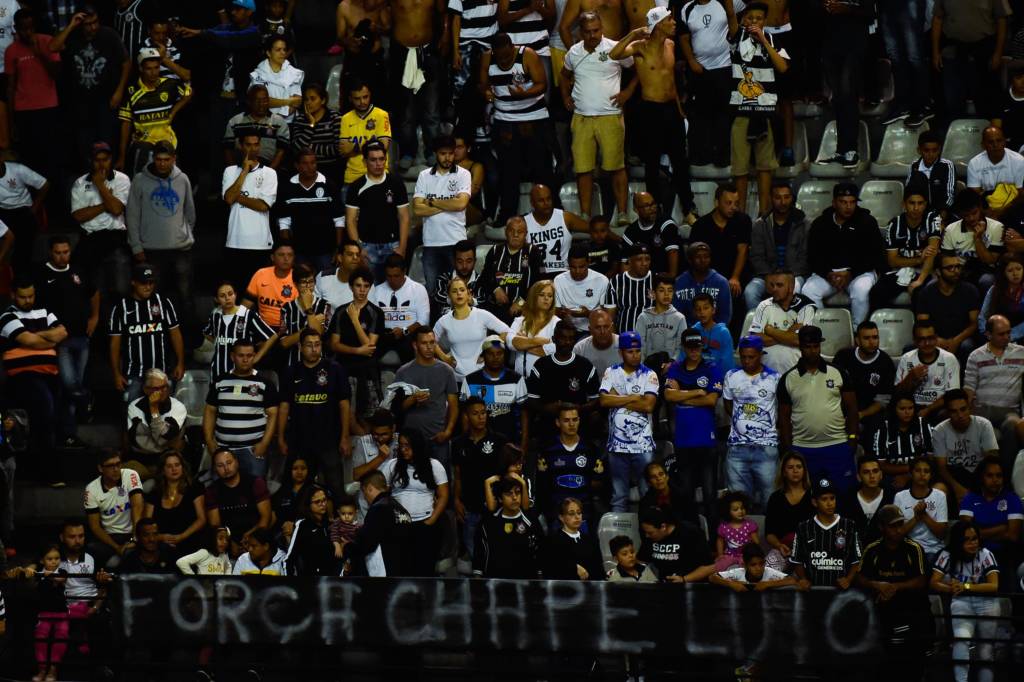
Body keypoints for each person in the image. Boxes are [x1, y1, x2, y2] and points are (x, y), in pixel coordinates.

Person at [609, 10, 694, 220]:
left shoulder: (671, 45)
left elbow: (671, 82)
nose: (674, 23)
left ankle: (688, 209)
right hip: (650, 111)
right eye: (669, 20)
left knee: (680, 162)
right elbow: (614, 54)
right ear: (658, 24)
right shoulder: (640, 48)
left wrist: (679, 110)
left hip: (671, 110)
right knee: (653, 164)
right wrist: (633, 34)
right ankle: (654, 213)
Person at [560, 11, 634, 225]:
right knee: (583, 169)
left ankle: (621, 213)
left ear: (602, 28)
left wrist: (628, 92)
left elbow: (640, 68)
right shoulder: (573, 52)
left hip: (610, 116)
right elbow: (564, 76)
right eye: (588, 32)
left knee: (617, 168)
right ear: (580, 32)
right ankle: (585, 215)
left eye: (597, 30)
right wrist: (565, 96)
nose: (593, 35)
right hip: (582, 117)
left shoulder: (614, 48)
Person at [0, 279, 76, 478]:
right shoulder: (7, 316)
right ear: (13, 296)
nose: (27, 300)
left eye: (31, 296)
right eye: (23, 297)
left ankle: (56, 455)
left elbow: (63, 333)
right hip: (23, 376)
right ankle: (49, 471)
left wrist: (35, 337)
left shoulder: (44, 312)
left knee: (58, 411)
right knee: (46, 414)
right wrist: (43, 338)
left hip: (50, 374)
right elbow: (29, 340)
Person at [479, 37, 556, 228]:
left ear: (512, 48)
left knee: (542, 170)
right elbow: (482, 84)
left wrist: (524, 94)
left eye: (507, 57)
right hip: (505, 122)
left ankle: (552, 215)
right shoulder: (487, 57)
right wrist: (487, 92)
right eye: (500, 58)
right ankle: (507, 216)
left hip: (534, 119)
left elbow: (542, 84)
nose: (504, 62)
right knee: (508, 173)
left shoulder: (527, 55)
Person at [723, 1, 790, 213]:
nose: (754, 22)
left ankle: (764, 213)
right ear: (744, 20)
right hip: (741, 112)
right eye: (750, 18)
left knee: (765, 167)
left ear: (765, 21)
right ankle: (740, 213)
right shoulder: (737, 36)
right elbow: (729, 13)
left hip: (765, 112)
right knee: (740, 170)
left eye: (759, 19)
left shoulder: (771, 39)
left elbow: (782, 67)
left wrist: (763, 39)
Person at [124, 141, 197, 331]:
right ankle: (157, 339)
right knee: (153, 299)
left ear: (174, 159)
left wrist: (184, 234)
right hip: (151, 251)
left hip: (181, 249)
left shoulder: (183, 179)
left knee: (185, 297)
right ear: (153, 159)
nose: (162, 163)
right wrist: (136, 247)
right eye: (158, 159)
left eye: (166, 159)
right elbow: (131, 216)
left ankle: (190, 342)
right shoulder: (139, 180)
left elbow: (190, 212)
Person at [778, 326, 860, 493]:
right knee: (808, 499)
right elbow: (784, 418)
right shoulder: (788, 378)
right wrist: (789, 450)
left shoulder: (838, 372)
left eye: (816, 346)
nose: (812, 351)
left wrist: (852, 440)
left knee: (844, 496)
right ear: (800, 347)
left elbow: (852, 410)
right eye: (808, 347)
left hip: (837, 445)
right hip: (803, 449)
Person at [856, 505, 932, 681]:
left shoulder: (914, 549)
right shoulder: (872, 549)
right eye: (893, 526)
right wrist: (875, 584)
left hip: (912, 611)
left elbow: (922, 580)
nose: (899, 529)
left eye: (900, 524)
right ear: (881, 527)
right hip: (882, 612)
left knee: (910, 662)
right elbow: (858, 577)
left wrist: (893, 587)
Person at [48, 7, 131, 163]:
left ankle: (108, 176)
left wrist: (119, 91)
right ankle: (88, 177)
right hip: (81, 100)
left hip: (106, 98)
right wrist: (72, 25)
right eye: (88, 24)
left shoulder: (109, 35)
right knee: (84, 142)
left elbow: (126, 63)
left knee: (107, 140)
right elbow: (52, 47)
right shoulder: (73, 35)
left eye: (95, 22)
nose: (93, 27)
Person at [278, 329, 352, 497]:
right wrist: (281, 437)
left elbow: (344, 404)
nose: (314, 349)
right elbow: (284, 406)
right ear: (300, 347)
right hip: (299, 440)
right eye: (309, 345)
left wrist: (345, 437)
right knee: (298, 488)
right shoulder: (290, 371)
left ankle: (339, 521)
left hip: (329, 439)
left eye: (317, 345)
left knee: (336, 487)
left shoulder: (334, 369)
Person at [803, 182, 885, 326]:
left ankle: (856, 331)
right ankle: (822, 330)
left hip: (859, 273)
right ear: (834, 203)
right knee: (808, 290)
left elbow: (875, 255)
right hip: (829, 274)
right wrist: (827, 273)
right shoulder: (821, 223)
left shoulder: (867, 222)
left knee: (862, 289)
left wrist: (851, 273)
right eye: (843, 202)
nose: (848, 206)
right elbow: (813, 256)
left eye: (852, 202)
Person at [34, 237, 97, 421]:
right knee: (69, 382)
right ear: (50, 253)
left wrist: (95, 316)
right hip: (59, 339)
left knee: (79, 379)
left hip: (82, 336)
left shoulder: (78, 271)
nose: (62, 256)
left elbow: (94, 293)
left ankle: (74, 417)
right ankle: (86, 402)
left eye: (66, 252)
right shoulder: (42, 273)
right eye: (58, 253)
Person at [930, 520, 1001, 682]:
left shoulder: (985, 554)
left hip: (987, 603)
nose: (972, 543)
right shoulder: (946, 554)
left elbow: (994, 585)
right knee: (961, 640)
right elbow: (933, 582)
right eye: (967, 540)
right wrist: (950, 588)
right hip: (962, 602)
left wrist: (966, 586)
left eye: (974, 538)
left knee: (985, 650)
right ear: (957, 541)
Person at [665, 327, 723, 515]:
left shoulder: (711, 368)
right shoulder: (675, 368)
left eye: (697, 347)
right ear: (683, 347)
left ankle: (713, 539)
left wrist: (681, 394)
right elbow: (668, 395)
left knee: (709, 496)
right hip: (683, 440)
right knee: (685, 495)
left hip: (706, 440)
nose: (694, 351)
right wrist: (697, 392)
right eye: (690, 347)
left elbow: (711, 400)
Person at [203, 339, 280, 478]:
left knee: (256, 493)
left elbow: (273, 415)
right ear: (232, 356)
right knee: (221, 493)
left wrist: (264, 444)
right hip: (223, 450)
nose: (245, 359)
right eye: (241, 355)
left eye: (249, 355)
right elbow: (210, 410)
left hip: (252, 450)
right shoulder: (220, 381)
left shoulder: (265, 384)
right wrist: (209, 440)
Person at [600, 330, 658, 511]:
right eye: (630, 352)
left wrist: (618, 397)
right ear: (621, 353)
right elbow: (604, 400)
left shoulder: (649, 374)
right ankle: (618, 537)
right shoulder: (612, 372)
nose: (635, 355)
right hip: (617, 446)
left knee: (647, 493)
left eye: (638, 351)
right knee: (619, 496)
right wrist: (633, 397)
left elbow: (648, 406)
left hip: (643, 446)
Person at [109, 263, 184, 402]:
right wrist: (116, 374)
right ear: (133, 282)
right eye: (143, 283)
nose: (148, 287)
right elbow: (115, 344)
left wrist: (180, 362)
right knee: (133, 416)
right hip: (134, 373)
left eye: (151, 283)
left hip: (161, 371)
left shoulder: (164, 303)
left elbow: (175, 334)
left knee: (165, 416)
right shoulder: (121, 308)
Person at [380, 431, 449, 576]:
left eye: (407, 445)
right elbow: (383, 495)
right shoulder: (392, 465)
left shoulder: (434, 465)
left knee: (424, 568)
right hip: (399, 525)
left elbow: (443, 496)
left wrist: (431, 521)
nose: (403, 449)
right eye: (401, 445)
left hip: (424, 523)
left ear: (417, 446)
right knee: (400, 567)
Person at [722, 336, 780, 510]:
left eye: (751, 357)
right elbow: (728, 405)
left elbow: (781, 409)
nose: (746, 361)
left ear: (760, 355)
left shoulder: (774, 378)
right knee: (738, 503)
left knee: (769, 500)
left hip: (766, 446)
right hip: (737, 447)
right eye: (743, 357)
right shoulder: (732, 376)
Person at [69, 141, 132, 298]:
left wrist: (100, 185)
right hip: (90, 239)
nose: (102, 164)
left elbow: (117, 209)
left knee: (120, 289)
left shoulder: (122, 179)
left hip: (115, 238)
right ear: (91, 161)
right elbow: (78, 216)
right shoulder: (80, 183)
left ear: (111, 159)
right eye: (98, 160)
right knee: (92, 290)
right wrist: (106, 204)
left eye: (106, 159)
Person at [116, 46, 191, 176]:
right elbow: (125, 124)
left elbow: (189, 93)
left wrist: (173, 112)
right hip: (143, 145)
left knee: (173, 183)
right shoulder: (131, 91)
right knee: (141, 184)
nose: (154, 72)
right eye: (149, 69)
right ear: (141, 68)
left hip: (167, 142)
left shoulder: (170, 84)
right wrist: (122, 157)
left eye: (156, 67)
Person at [678, 0, 735, 169]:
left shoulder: (724, 3)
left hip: (725, 67)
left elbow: (737, 22)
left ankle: (723, 157)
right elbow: (683, 37)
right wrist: (691, 61)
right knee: (701, 115)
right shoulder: (687, 8)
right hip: (699, 69)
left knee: (724, 115)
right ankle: (701, 156)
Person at [413, 135, 472, 297]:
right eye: (443, 153)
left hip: (456, 242)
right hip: (431, 243)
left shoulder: (463, 174)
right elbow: (417, 209)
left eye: (451, 153)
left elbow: (461, 204)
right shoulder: (424, 175)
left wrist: (431, 201)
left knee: (457, 292)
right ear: (435, 154)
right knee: (432, 292)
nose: (448, 158)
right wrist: (448, 204)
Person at [5, 10, 61, 181]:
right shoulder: (11, 51)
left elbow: (57, 75)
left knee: (51, 157)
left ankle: (52, 197)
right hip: (24, 111)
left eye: (30, 28)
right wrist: (11, 120)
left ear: (34, 26)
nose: (27, 32)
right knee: (30, 159)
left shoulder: (48, 42)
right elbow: (10, 87)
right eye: (23, 29)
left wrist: (40, 54)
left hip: (48, 108)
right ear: (16, 28)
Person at [964, 314, 1024, 469]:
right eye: (1001, 334)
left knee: (1013, 424)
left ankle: (1005, 476)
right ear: (988, 334)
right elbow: (969, 389)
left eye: (1008, 333)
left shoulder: (1021, 353)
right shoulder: (975, 356)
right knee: (993, 436)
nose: (1007, 337)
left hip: (1009, 410)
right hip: (983, 410)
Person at [816, 0, 871, 168]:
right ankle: (841, 150)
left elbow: (871, 10)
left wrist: (846, 8)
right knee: (838, 98)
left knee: (848, 94)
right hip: (830, 42)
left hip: (854, 42)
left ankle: (851, 150)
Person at [395, 328, 460, 468]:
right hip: (411, 440)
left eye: (432, 342)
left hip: (437, 439)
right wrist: (413, 400)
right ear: (415, 345)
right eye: (424, 343)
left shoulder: (446, 371)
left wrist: (448, 432)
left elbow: (454, 406)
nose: (429, 347)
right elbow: (397, 409)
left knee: (441, 481)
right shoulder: (403, 372)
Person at [345, 140, 410, 281]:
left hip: (393, 246)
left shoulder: (396, 183)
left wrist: (402, 247)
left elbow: (404, 217)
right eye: (373, 160)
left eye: (381, 159)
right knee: (369, 290)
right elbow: (350, 220)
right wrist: (359, 249)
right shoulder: (356, 187)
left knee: (394, 288)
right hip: (367, 247)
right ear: (365, 161)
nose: (378, 163)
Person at [222, 132, 279, 292]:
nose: (252, 149)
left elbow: (263, 206)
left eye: (256, 144)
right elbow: (228, 199)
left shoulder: (269, 173)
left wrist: (236, 196)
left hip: (260, 244)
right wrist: (245, 171)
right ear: (241, 146)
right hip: (235, 241)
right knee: (237, 290)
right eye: (248, 144)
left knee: (260, 291)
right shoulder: (230, 171)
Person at [869, 187, 942, 309]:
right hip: (900, 270)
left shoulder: (932, 219)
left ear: (925, 204)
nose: (916, 208)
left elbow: (932, 254)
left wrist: (920, 280)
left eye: (920, 203)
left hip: (926, 271)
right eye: (912, 203)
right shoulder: (894, 224)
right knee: (876, 293)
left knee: (921, 294)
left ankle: (919, 327)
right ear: (904, 204)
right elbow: (892, 261)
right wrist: (919, 259)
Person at [527, 320, 601, 438]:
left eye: (571, 338)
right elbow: (531, 400)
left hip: (578, 428)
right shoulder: (541, 365)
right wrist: (547, 408)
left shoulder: (585, 365)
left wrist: (578, 409)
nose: (567, 342)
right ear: (554, 339)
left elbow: (596, 400)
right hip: (547, 427)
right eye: (563, 338)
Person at [329, 267, 385, 422]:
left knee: (369, 417)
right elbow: (334, 344)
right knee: (343, 416)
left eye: (366, 286)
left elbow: (369, 347)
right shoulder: (340, 312)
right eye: (358, 285)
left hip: (367, 370)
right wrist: (357, 351)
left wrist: (355, 320)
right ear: (351, 286)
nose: (362, 290)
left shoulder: (376, 313)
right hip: (343, 367)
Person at [451, 397, 506, 556]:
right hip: (470, 507)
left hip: (494, 507)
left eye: (483, 413)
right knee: (474, 554)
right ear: (467, 416)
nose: (481, 417)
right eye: (476, 414)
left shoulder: (499, 440)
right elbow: (458, 475)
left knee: (496, 553)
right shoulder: (458, 443)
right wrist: (456, 499)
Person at [958, 455, 1023, 587]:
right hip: (974, 552)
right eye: (990, 476)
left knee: (1008, 574)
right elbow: (966, 534)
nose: (995, 480)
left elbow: (1012, 536)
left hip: (1004, 553)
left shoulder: (1012, 499)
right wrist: (1001, 528)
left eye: (999, 476)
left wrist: (980, 532)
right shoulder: (970, 498)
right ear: (982, 477)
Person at [744, 181, 809, 311]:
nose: (783, 202)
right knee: (750, 292)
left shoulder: (804, 224)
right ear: (771, 199)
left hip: (794, 275)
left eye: (786, 197)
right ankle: (760, 326)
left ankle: (788, 325)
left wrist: (787, 277)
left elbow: (805, 257)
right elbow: (756, 256)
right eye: (778, 197)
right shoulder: (760, 224)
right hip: (766, 275)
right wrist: (769, 275)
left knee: (794, 288)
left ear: (792, 198)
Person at [536, 402, 604, 526]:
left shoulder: (591, 448)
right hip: (557, 514)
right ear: (558, 422)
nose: (571, 424)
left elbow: (598, 482)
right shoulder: (548, 450)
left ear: (579, 421)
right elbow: (543, 485)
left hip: (584, 514)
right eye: (566, 420)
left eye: (575, 420)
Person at [278, 147, 345, 273]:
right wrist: (287, 251)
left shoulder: (328, 184)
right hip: (298, 251)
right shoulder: (287, 187)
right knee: (301, 287)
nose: (310, 167)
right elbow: (284, 223)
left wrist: (338, 248)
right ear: (297, 166)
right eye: (305, 163)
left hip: (325, 251)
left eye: (313, 163)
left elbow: (339, 220)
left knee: (325, 288)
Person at [433, 277, 511, 382]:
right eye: (454, 291)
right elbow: (429, 340)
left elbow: (506, 331)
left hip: (482, 375)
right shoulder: (444, 320)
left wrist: (490, 350)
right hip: (456, 378)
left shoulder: (482, 314)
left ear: (469, 294)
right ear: (449, 296)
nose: (459, 293)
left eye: (462, 290)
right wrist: (444, 358)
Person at [790, 477, 860, 588]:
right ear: (814, 502)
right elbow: (796, 560)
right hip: (813, 592)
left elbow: (856, 559)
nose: (830, 503)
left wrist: (848, 579)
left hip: (840, 593)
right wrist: (803, 579)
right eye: (824, 499)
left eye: (832, 498)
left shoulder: (849, 525)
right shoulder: (803, 527)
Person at [340, 470, 413, 577]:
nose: (364, 498)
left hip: (385, 578)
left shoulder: (379, 508)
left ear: (370, 488)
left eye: (363, 492)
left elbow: (367, 544)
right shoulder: (402, 510)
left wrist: (347, 547)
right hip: (404, 574)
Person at [932, 389, 1000, 503]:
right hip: (953, 477)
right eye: (954, 411)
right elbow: (941, 468)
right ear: (947, 413)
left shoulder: (984, 425)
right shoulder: (939, 430)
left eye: (963, 409)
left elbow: (992, 461)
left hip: (979, 476)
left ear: (970, 407)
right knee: (938, 491)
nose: (960, 415)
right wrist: (957, 487)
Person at [688, 184, 752, 299]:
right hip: (709, 275)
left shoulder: (743, 221)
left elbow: (742, 251)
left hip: (735, 276)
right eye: (728, 203)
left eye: (736, 203)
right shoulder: (701, 225)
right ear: (717, 202)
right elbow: (695, 256)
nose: (733, 207)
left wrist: (735, 277)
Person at [473, 474, 544, 578]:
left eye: (517, 492)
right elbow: (479, 554)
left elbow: (540, 552)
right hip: (494, 584)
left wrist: (539, 577)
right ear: (500, 499)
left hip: (525, 584)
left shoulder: (531, 522)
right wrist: (478, 579)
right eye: (508, 493)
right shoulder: (488, 523)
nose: (514, 497)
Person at [205, 448, 272, 556]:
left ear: (237, 462)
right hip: (228, 541)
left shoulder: (255, 482)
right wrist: (230, 543)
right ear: (215, 469)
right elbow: (215, 525)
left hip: (256, 536)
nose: (226, 468)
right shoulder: (212, 491)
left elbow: (266, 518)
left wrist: (249, 538)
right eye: (220, 465)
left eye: (229, 463)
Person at [832, 321, 896, 433]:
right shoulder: (843, 356)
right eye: (867, 338)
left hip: (871, 414)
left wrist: (861, 414)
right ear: (857, 340)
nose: (872, 342)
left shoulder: (886, 362)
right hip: (842, 409)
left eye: (875, 337)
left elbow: (883, 400)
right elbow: (832, 388)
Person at [84, 450, 144, 568]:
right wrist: (117, 547)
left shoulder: (130, 475)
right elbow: (95, 526)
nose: (116, 469)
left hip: (134, 531)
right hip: (110, 536)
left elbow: (137, 506)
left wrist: (134, 538)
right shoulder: (91, 489)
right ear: (101, 469)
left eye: (118, 464)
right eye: (111, 466)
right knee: (90, 549)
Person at [748, 268, 815, 374]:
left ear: (791, 287)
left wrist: (771, 331)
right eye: (772, 285)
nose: (774, 289)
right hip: (766, 371)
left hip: (795, 369)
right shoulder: (764, 305)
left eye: (779, 285)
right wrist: (788, 334)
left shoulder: (805, 306)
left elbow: (799, 340)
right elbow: (755, 339)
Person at [203, 281, 276, 377]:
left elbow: (272, 336)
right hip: (218, 372)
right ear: (216, 299)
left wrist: (256, 358)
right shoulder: (215, 315)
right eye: (222, 296)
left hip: (242, 373)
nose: (227, 298)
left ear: (235, 295)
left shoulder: (248, 315)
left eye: (230, 294)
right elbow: (207, 333)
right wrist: (221, 343)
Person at [460, 338, 527, 443]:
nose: (495, 357)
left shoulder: (516, 379)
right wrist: (466, 443)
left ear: (504, 355)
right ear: (483, 356)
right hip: (479, 444)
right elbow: (464, 415)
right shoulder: (470, 380)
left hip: (510, 442)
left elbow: (524, 414)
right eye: (490, 354)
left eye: (499, 353)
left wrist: (523, 445)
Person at [481, 216, 545, 323]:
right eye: (512, 231)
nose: (515, 235)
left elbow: (540, 281)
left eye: (520, 232)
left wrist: (521, 302)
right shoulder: (495, 251)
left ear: (526, 234)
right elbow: (484, 276)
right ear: (506, 232)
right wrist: (495, 289)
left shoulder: (533, 252)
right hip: (495, 310)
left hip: (524, 310)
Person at [142, 451, 205, 558]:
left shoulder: (194, 488)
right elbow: (146, 525)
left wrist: (181, 536)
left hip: (189, 540)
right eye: (169, 466)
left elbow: (201, 519)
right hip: (162, 544)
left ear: (182, 467)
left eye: (177, 465)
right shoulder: (154, 494)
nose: (174, 469)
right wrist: (160, 537)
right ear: (163, 470)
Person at [895, 320, 961, 421]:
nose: (927, 343)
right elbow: (897, 394)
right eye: (921, 339)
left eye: (931, 338)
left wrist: (928, 410)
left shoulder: (949, 359)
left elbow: (952, 394)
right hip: (912, 407)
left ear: (936, 338)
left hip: (938, 407)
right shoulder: (907, 358)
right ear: (914, 340)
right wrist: (910, 377)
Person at [370, 254, 430, 364]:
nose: (392, 280)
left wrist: (404, 331)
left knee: (409, 349)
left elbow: (423, 321)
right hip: (384, 334)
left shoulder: (418, 289)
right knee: (369, 351)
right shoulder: (376, 291)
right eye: (389, 276)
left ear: (404, 272)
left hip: (408, 333)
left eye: (396, 276)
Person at [523, 183, 589, 278]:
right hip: (536, 274)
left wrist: (618, 239)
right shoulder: (524, 223)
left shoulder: (565, 217)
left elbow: (595, 228)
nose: (546, 203)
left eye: (548, 199)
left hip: (564, 274)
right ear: (532, 203)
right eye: (541, 200)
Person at [870, 393, 935, 489]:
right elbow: (881, 465)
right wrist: (910, 469)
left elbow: (931, 458)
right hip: (891, 476)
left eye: (910, 408)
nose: (907, 412)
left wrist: (909, 476)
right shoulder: (883, 427)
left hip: (921, 473)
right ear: (894, 410)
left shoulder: (923, 424)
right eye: (902, 409)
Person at [894, 455, 950, 564]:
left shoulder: (940, 496)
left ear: (931, 475)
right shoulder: (900, 497)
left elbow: (942, 534)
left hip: (934, 550)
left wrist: (924, 516)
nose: (922, 474)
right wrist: (916, 518)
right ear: (911, 473)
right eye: (918, 470)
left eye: (926, 471)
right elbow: (897, 534)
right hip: (908, 549)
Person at [638, 505, 716, 583]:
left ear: (663, 527)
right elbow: (641, 560)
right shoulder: (649, 537)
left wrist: (684, 579)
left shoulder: (690, 533)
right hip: (663, 585)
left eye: (650, 533)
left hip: (691, 584)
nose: (647, 535)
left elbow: (710, 567)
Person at [126, 369, 187, 468]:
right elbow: (137, 441)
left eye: (164, 387)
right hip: (142, 460)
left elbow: (162, 440)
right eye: (156, 388)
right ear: (146, 389)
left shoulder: (178, 407)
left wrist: (154, 409)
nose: (162, 391)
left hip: (169, 461)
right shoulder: (134, 406)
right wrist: (166, 444)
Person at [0, 156, 48, 278]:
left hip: (23, 208)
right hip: (2, 211)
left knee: (24, 244)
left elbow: (45, 185)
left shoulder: (18, 170)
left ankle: (22, 277)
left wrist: (34, 208)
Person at [223, 84, 290, 169]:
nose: (261, 104)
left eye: (264, 100)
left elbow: (281, 151)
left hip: (269, 170)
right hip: (240, 169)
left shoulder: (279, 122)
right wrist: (233, 172)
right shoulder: (234, 122)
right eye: (256, 100)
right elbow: (227, 150)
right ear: (249, 101)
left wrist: (268, 173)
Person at [30, 543, 70, 682]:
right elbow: (29, 573)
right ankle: (42, 670)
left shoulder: (62, 572)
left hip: (61, 614)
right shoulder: (38, 572)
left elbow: (60, 579)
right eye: (50, 559)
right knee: (40, 640)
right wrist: (32, 569)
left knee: (61, 638)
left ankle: (53, 669)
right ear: (42, 560)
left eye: (57, 558)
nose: (54, 561)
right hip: (43, 614)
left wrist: (49, 574)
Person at [289, 82, 343, 183]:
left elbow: (338, 150)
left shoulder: (335, 118)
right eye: (306, 99)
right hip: (305, 171)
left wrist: (311, 147)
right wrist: (312, 125)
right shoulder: (300, 119)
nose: (308, 102)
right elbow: (297, 148)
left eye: (313, 99)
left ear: (323, 100)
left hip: (331, 170)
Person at [279, 263, 330, 367]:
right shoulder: (287, 308)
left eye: (311, 282)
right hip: (294, 364)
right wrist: (311, 324)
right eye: (303, 282)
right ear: (295, 284)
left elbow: (319, 334)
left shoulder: (324, 305)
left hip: (319, 365)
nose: (308, 286)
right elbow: (284, 343)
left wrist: (308, 309)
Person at [840, 455, 896, 550]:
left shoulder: (892, 496)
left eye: (875, 471)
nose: (872, 476)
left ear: (881, 475)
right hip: (855, 551)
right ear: (859, 477)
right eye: (866, 472)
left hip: (885, 551)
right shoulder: (848, 498)